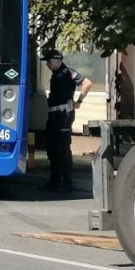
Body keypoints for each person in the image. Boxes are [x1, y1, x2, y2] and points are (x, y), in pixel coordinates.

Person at [40, 49, 93, 193]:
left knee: (62, 149)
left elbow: (87, 83)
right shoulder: (56, 74)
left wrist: (79, 101)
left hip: (63, 115)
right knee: (51, 148)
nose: (47, 65)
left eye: (49, 61)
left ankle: (67, 182)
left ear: (58, 60)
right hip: (53, 114)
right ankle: (55, 180)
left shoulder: (68, 72)